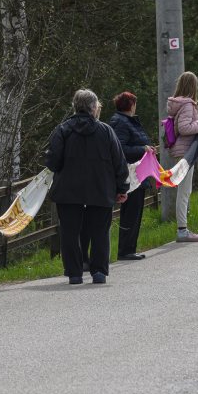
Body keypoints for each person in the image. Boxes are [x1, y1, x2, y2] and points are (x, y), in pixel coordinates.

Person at [46, 89, 129, 284]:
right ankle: (99, 271)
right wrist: (122, 188)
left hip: (68, 190)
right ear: (93, 108)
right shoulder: (106, 131)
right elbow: (119, 162)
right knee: (100, 231)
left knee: (70, 232)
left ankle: (74, 273)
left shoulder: (62, 130)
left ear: (75, 107)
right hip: (101, 189)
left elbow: (52, 162)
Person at [109, 91, 153, 260]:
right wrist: (142, 149)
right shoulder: (121, 123)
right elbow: (120, 150)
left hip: (137, 174)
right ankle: (125, 250)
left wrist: (147, 149)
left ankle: (130, 248)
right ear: (131, 105)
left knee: (135, 212)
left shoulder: (128, 121)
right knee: (130, 212)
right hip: (130, 176)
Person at [167, 72, 198, 242]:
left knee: (184, 190)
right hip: (186, 152)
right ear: (193, 86)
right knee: (184, 191)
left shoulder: (177, 104)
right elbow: (184, 128)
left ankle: (183, 228)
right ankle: (182, 230)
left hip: (180, 150)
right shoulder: (188, 105)